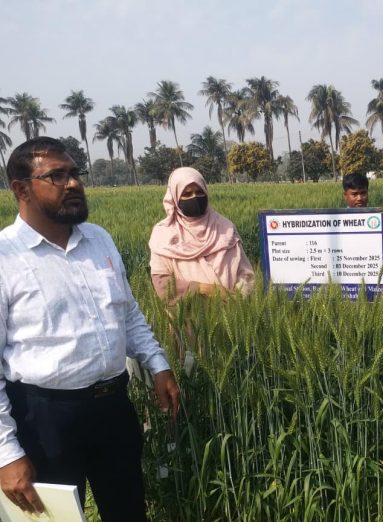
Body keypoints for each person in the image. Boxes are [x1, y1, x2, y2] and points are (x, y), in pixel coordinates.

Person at [0, 137, 179, 520]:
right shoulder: (5, 257)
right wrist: (6, 454)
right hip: (43, 417)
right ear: (21, 189)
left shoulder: (99, 239)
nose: (73, 183)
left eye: (75, 173)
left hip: (113, 408)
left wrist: (158, 364)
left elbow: (127, 313)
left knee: (128, 511)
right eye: (57, 176)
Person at [149, 167, 255, 301]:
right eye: (187, 194)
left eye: (199, 192)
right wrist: (203, 289)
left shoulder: (225, 227)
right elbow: (162, 285)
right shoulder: (163, 234)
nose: (194, 197)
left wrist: (236, 299)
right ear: (175, 198)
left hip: (231, 309)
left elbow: (245, 274)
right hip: (186, 312)